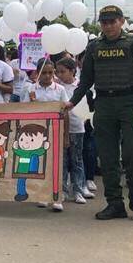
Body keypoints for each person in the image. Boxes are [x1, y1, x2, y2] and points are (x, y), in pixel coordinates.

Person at [66, 6, 133, 221]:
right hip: (104, 104)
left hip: (131, 103)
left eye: (112, 21)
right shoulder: (94, 47)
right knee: (107, 157)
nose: (108, 26)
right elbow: (86, 79)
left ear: (122, 21)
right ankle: (115, 203)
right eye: (104, 22)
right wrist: (71, 102)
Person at [21, 59, 65, 211]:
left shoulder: (59, 89)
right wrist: (32, 102)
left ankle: (57, 197)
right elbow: (24, 110)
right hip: (36, 133)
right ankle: (42, 195)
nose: (47, 76)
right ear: (37, 73)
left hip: (55, 131)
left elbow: (65, 111)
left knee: (56, 164)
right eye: (44, 72)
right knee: (41, 164)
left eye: (50, 73)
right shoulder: (31, 89)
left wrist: (66, 135)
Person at [56, 58, 90, 204]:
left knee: (77, 159)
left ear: (72, 71)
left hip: (77, 127)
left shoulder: (80, 86)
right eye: (58, 72)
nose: (60, 75)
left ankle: (79, 189)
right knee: (62, 160)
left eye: (63, 72)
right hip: (60, 127)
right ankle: (62, 190)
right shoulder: (57, 87)